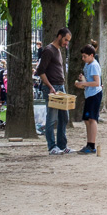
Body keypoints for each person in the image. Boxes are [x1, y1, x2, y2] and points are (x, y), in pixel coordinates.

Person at [36, 27, 73, 155]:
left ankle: (62, 145)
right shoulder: (48, 50)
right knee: (51, 118)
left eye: (68, 41)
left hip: (60, 87)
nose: (66, 43)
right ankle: (52, 146)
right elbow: (40, 71)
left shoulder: (57, 50)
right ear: (59, 36)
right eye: (66, 40)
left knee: (64, 117)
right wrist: (50, 86)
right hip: (51, 89)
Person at [75, 44, 102, 154]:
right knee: (87, 120)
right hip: (88, 94)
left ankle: (92, 145)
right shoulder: (87, 64)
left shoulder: (94, 65)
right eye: (82, 56)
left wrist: (84, 83)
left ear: (91, 55)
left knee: (92, 119)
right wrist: (82, 80)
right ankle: (89, 143)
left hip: (94, 95)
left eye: (85, 56)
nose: (83, 59)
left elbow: (96, 82)